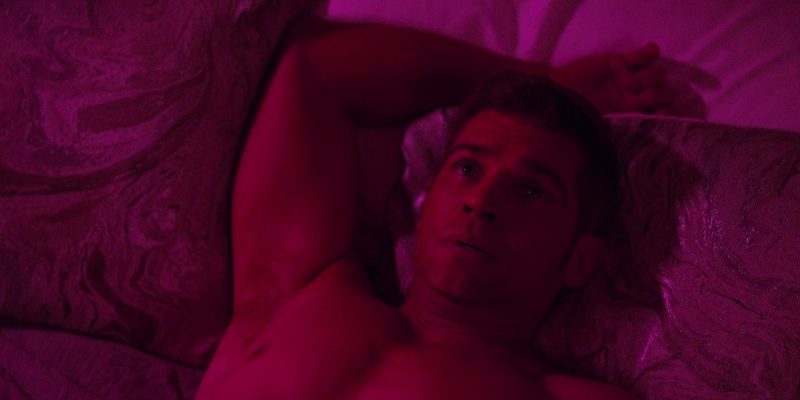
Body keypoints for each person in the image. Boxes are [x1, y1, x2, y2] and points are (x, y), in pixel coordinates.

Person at [196, 17, 674, 400]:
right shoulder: (296, 289)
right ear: (425, 200)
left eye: (532, 192)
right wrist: (546, 77)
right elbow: (319, 66)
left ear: (579, 260)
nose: (482, 201)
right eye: (467, 168)